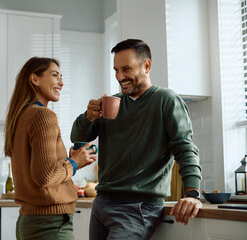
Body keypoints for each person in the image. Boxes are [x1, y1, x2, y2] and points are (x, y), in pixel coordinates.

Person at [70, 39, 202, 240]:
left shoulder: (165, 100)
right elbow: (78, 138)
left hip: (138, 208)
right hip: (102, 204)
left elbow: (185, 148)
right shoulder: (112, 103)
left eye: (126, 69)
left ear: (146, 65)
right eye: (116, 70)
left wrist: (192, 194)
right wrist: (88, 117)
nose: (119, 76)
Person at [4, 57, 97, 240]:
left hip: (30, 222)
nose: (61, 83)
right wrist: (74, 163)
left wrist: (68, 162)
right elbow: (44, 176)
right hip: (50, 225)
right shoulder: (43, 116)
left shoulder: (21, 115)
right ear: (35, 79)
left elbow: (39, 171)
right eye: (55, 76)